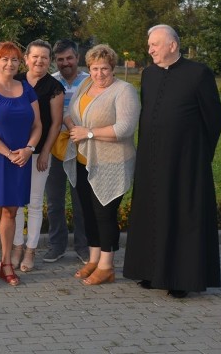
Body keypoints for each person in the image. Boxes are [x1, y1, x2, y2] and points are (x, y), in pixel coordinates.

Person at [123, 24, 221, 298]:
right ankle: (148, 271)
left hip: (185, 161)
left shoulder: (198, 73)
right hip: (151, 159)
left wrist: (200, 155)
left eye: (155, 44)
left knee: (181, 215)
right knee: (150, 211)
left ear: (172, 45)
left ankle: (180, 279)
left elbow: (214, 118)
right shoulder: (148, 75)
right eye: (149, 45)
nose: (150, 49)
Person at [64, 45, 140, 285]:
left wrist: (88, 133)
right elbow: (71, 112)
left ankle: (107, 266)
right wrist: (70, 125)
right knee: (88, 211)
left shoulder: (124, 90)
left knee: (104, 213)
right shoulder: (86, 85)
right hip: (83, 161)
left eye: (104, 68)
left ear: (113, 67)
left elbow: (125, 129)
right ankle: (94, 258)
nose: (99, 74)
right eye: (95, 68)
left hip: (111, 163)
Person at [0, 42, 42, 289]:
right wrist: (7, 153)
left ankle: (5, 264)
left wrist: (28, 149)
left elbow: (38, 126)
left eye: (14, 60)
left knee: (11, 212)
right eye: (4, 59)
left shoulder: (26, 89)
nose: (9, 64)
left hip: (21, 158)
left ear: (19, 63)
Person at [10, 40, 65, 272]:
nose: (39, 61)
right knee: (16, 203)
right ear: (26, 58)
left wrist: (45, 153)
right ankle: (16, 247)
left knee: (34, 202)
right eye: (35, 56)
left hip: (39, 153)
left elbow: (55, 124)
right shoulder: (15, 81)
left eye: (44, 57)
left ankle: (30, 250)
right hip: (13, 152)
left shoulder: (54, 87)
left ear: (49, 60)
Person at [43, 39, 88, 263]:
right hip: (55, 147)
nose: (65, 63)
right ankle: (56, 245)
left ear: (77, 58)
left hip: (82, 147)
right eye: (60, 60)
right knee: (54, 200)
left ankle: (83, 246)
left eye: (69, 58)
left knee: (81, 199)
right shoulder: (50, 81)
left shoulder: (89, 81)